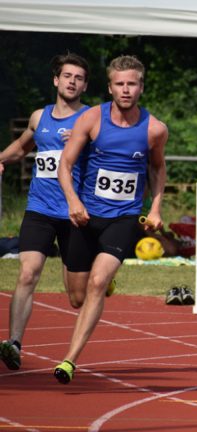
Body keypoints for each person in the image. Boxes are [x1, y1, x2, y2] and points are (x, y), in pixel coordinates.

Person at [53, 55, 168, 384]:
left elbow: (158, 169)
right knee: (77, 297)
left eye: (132, 83)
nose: (126, 89)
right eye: (119, 83)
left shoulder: (155, 129)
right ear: (110, 87)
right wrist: (73, 201)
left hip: (124, 218)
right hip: (86, 216)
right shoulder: (91, 118)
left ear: (141, 87)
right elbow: (66, 165)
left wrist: (156, 207)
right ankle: (102, 284)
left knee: (97, 283)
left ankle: (69, 361)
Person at [0, 53, 90, 371]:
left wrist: (83, 141)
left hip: (75, 213)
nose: (72, 81)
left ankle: (100, 273)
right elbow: (25, 144)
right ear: (56, 80)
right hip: (39, 209)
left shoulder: (91, 119)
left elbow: (111, 155)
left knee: (76, 297)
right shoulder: (40, 116)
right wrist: (1, 158)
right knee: (27, 273)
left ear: (85, 85)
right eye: (67, 76)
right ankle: (13, 344)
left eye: (78, 78)